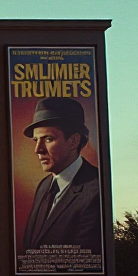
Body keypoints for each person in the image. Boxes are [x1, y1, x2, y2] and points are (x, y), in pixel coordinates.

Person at [22, 97, 103, 254]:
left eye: (48, 139)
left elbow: (86, 257)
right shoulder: (44, 186)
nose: (38, 149)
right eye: (36, 140)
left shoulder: (97, 190)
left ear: (73, 141)